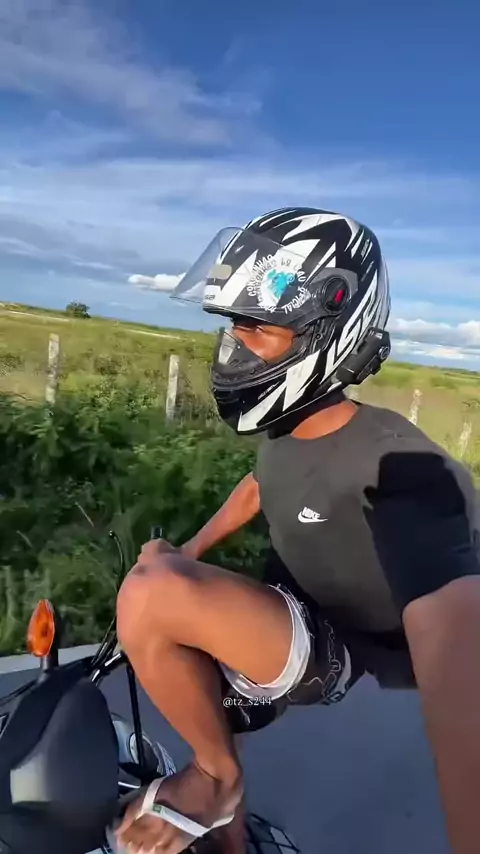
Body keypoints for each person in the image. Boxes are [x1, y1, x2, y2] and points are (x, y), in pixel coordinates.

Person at [115, 207, 480, 854]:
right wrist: (189, 549)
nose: (235, 347)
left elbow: (456, 648)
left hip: (339, 649)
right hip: (285, 611)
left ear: (326, 330)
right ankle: (228, 832)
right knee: (167, 602)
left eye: (258, 328)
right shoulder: (290, 427)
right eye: (234, 326)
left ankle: (218, 780)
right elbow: (261, 485)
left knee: (151, 595)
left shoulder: (403, 467)